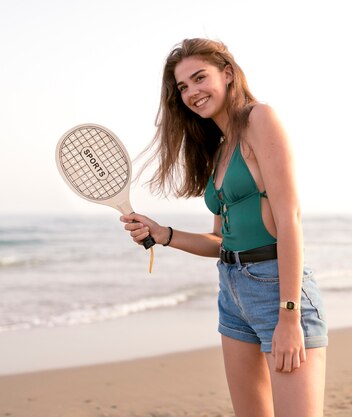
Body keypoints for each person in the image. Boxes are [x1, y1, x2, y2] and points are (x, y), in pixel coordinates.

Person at [120, 38, 328, 417]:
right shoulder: (220, 150)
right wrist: (163, 233)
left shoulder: (260, 119)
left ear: (228, 74)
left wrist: (289, 315)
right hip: (231, 292)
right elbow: (220, 240)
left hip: (276, 288)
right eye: (183, 87)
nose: (192, 92)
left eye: (200, 78)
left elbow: (289, 219)